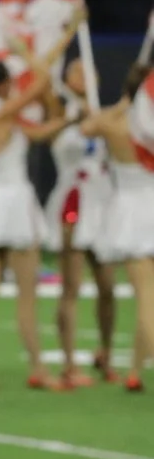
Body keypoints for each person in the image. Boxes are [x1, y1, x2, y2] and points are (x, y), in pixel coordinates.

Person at [0, 53, 71, 390]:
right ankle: (39, 370)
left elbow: (37, 133)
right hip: (15, 205)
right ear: (1, 85)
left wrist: (70, 120)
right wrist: (31, 54)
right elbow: (39, 85)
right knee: (26, 295)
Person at [73, 60, 154, 391]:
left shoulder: (116, 121)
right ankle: (134, 371)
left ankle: (136, 370)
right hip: (144, 202)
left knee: (146, 298)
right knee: (149, 299)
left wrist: (122, 102)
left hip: (134, 210)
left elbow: (87, 128)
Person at [47, 57, 118, 387]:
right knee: (71, 286)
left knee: (108, 286)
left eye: (89, 71)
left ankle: (106, 353)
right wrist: (72, 120)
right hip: (74, 199)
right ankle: (68, 363)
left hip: (101, 202)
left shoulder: (104, 114)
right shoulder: (58, 110)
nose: (84, 76)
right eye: (76, 71)